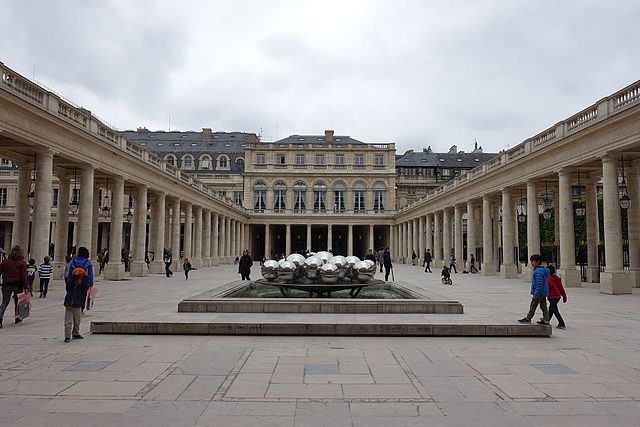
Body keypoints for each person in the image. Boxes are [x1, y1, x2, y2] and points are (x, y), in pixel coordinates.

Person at [64, 246, 93, 342]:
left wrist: (70, 282)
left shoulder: (73, 262)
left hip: (72, 287)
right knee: (77, 315)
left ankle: (67, 335)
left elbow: (69, 274)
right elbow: (90, 275)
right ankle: (75, 332)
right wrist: (90, 284)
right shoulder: (88, 262)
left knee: (68, 318)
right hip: (81, 288)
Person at [0, 245, 29, 328]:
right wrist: (26, 287)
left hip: (6, 284)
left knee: (4, 302)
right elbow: (24, 276)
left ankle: (0, 318)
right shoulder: (22, 262)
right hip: (17, 284)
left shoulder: (5, 262)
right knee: (18, 302)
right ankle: (17, 317)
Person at [518, 254, 550, 325]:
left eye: (533, 261)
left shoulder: (538, 272)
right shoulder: (543, 271)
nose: (531, 263)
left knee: (533, 305)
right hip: (543, 292)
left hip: (539, 293)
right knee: (543, 306)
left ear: (538, 262)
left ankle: (528, 318)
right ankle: (546, 319)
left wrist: (536, 293)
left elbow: (539, 284)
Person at [547, 265, 567, 329]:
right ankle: (547, 320)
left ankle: (561, 323)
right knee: (551, 309)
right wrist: (564, 296)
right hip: (557, 296)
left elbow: (548, 287)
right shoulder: (556, 278)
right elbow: (561, 288)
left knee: (554, 310)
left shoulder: (549, 278)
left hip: (552, 296)